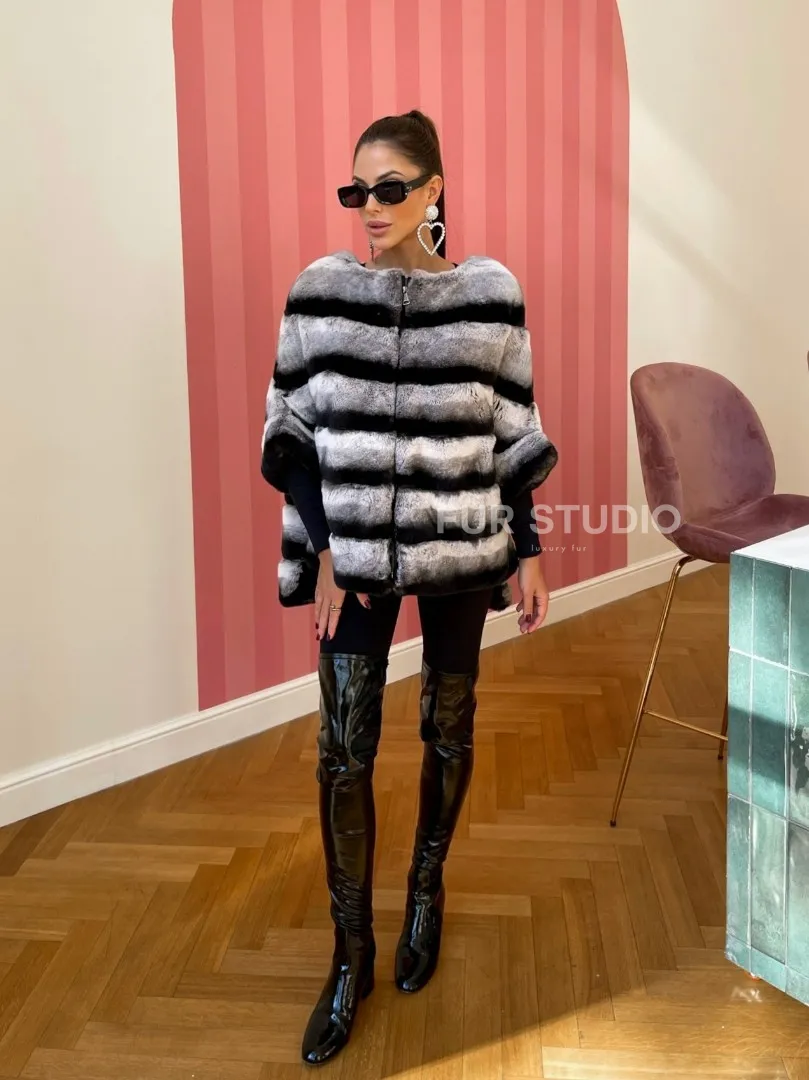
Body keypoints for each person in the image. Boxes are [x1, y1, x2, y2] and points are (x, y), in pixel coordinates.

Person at [260, 109, 558, 1066]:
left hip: (462, 549)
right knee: (342, 754)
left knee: (448, 726)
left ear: (432, 188)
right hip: (353, 561)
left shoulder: (489, 294)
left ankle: (426, 889)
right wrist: (327, 552)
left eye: (390, 187)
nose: (371, 206)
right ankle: (351, 952)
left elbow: (513, 431)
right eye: (358, 189)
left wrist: (528, 548)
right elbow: (289, 431)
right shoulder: (319, 293)